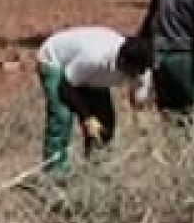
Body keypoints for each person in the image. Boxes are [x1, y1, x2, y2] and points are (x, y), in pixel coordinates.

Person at [36, 25, 153, 176]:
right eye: (134, 72)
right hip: (55, 60)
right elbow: (66, 86)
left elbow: (138, 100)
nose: (137, 75)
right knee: (62, 117)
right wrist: (87, 117)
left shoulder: (141, 66)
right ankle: (54, 173)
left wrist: (141, 125)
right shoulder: (94, 58)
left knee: (104, 122)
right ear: (123, 62)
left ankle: (95, 171)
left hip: (89, 76)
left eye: (140, 72)